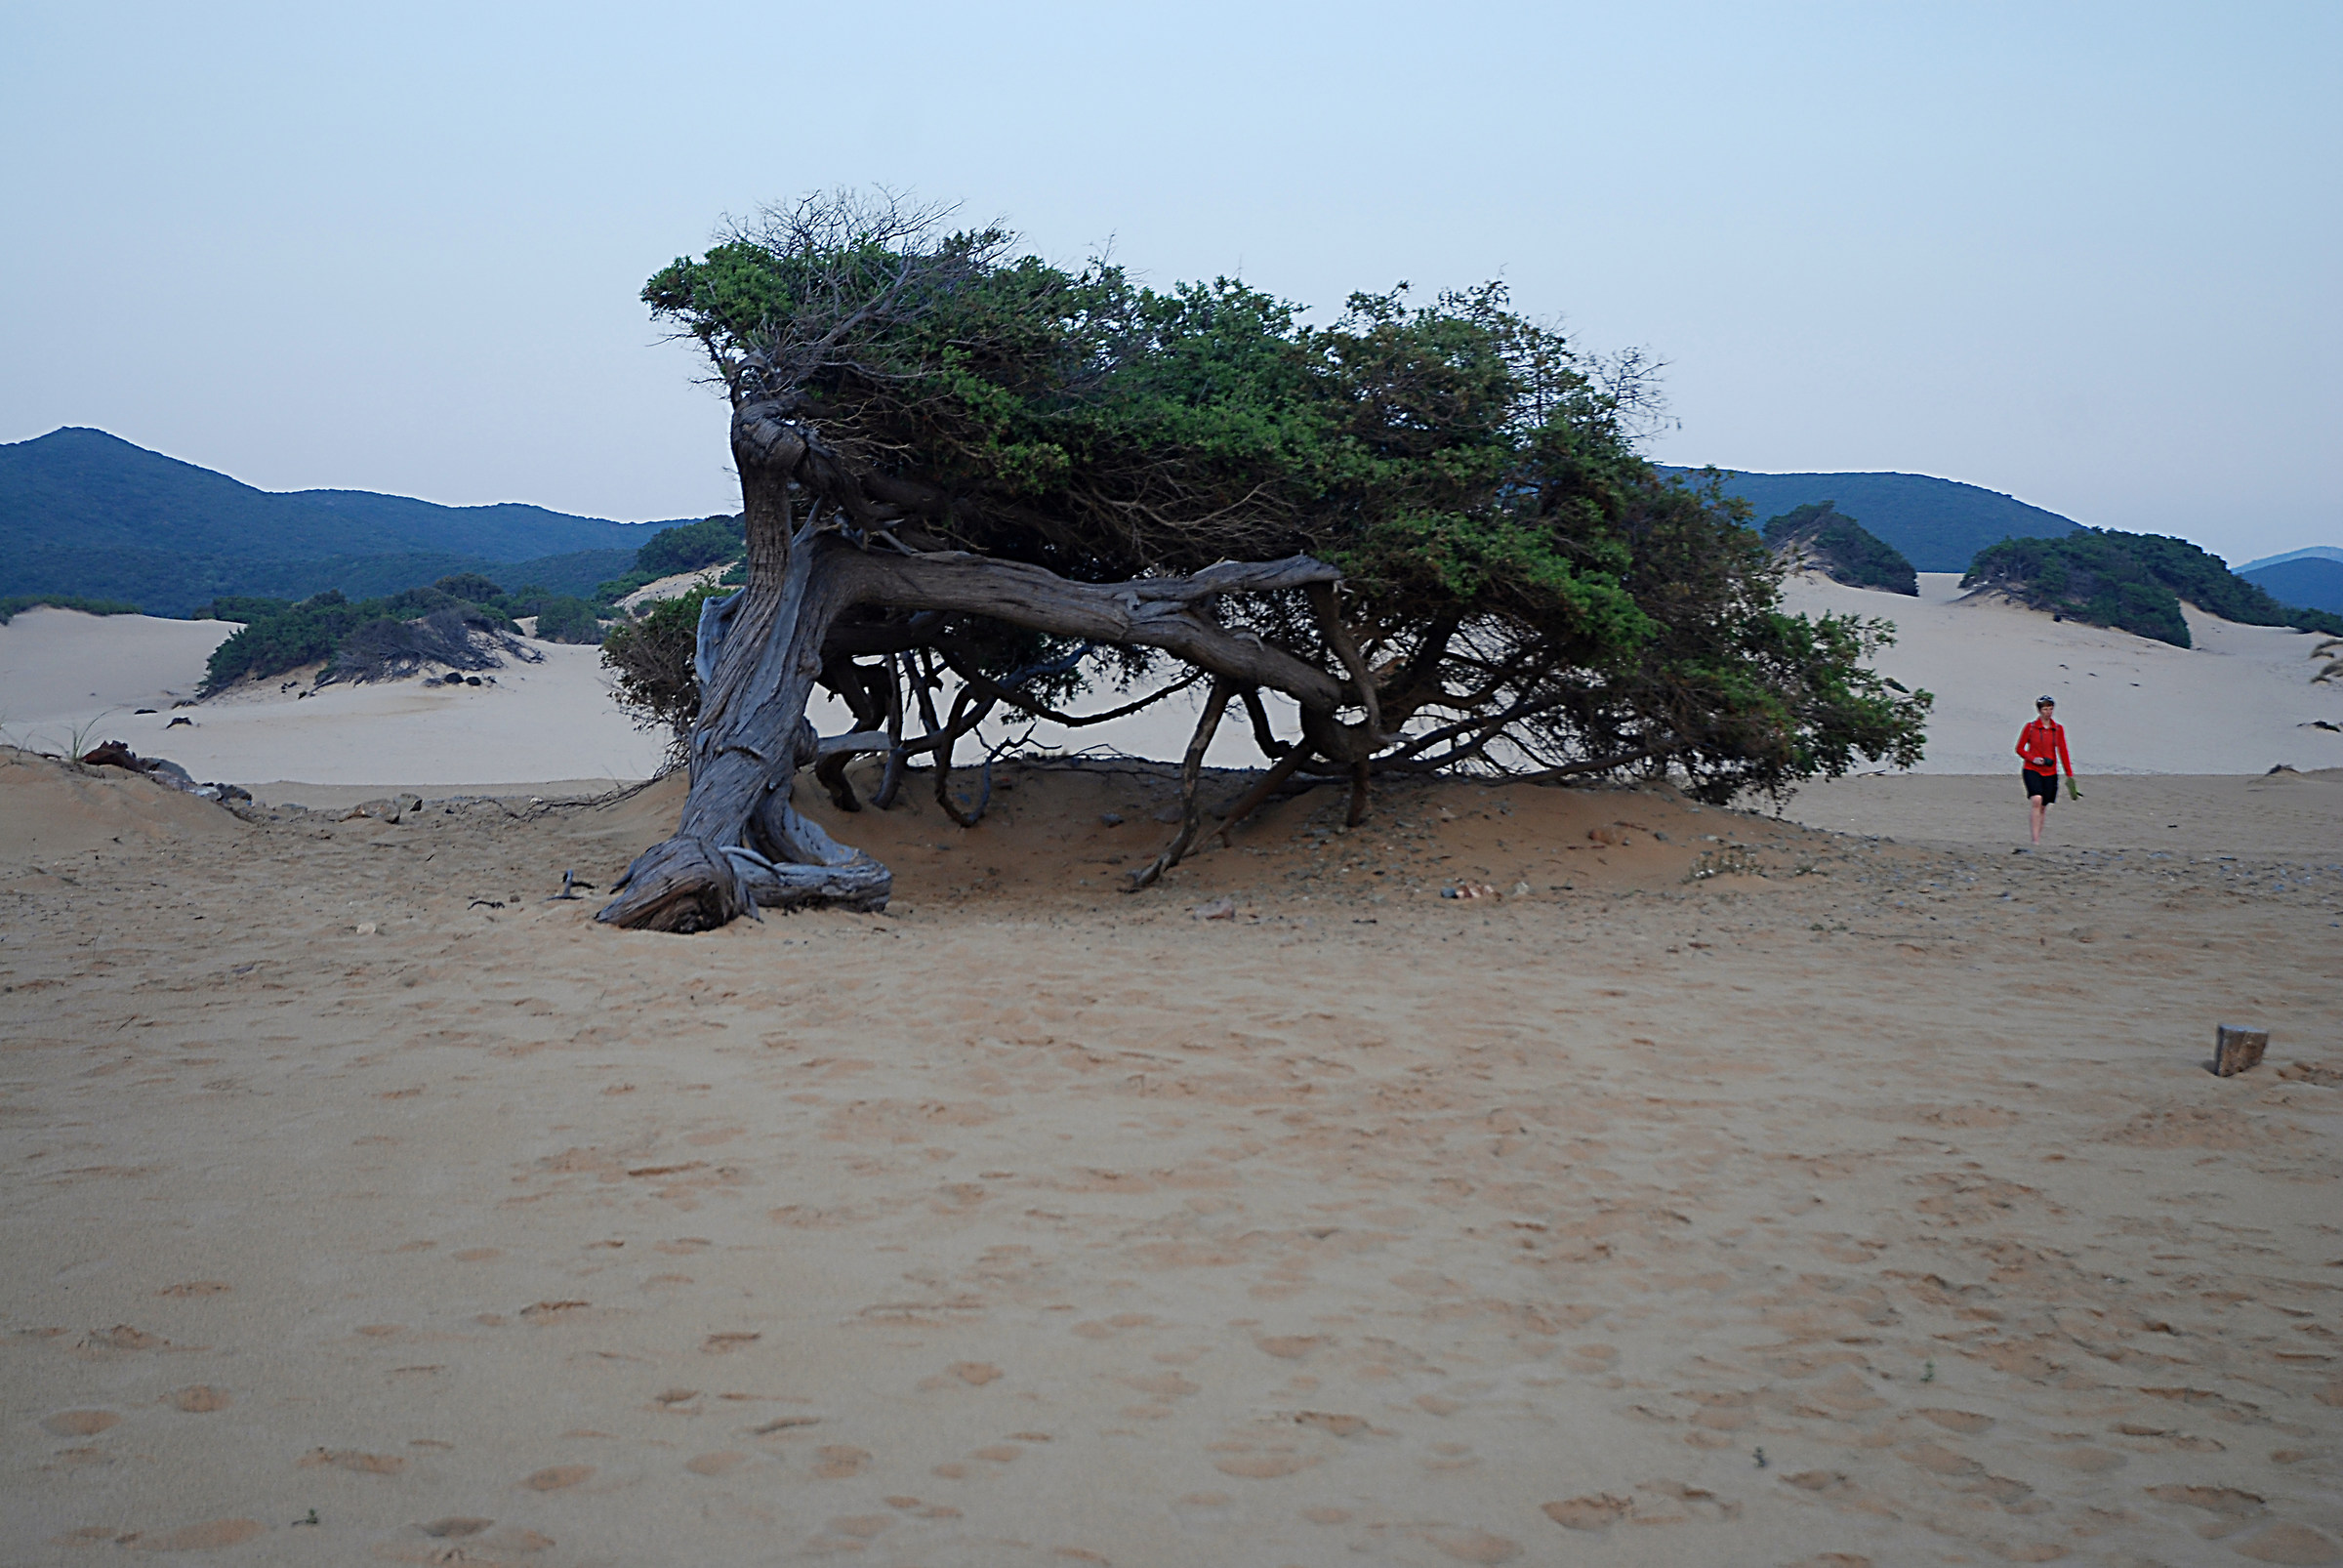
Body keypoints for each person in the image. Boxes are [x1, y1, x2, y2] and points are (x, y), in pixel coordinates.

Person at [2015, 696, 2077, 845]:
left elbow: (2063, 751)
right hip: (2032, 769)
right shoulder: (2030, 727)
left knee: (2043, 806)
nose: (2048, 712)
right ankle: (2035, 840)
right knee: (2037, 799)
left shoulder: (2058, 729)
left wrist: (2069, 774)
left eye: (2050, 709)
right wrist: (2033, 758)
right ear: (2039, 710)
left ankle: (2037, 837)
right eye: (2045, 709)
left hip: (2050, 772)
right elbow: (2019, 749)